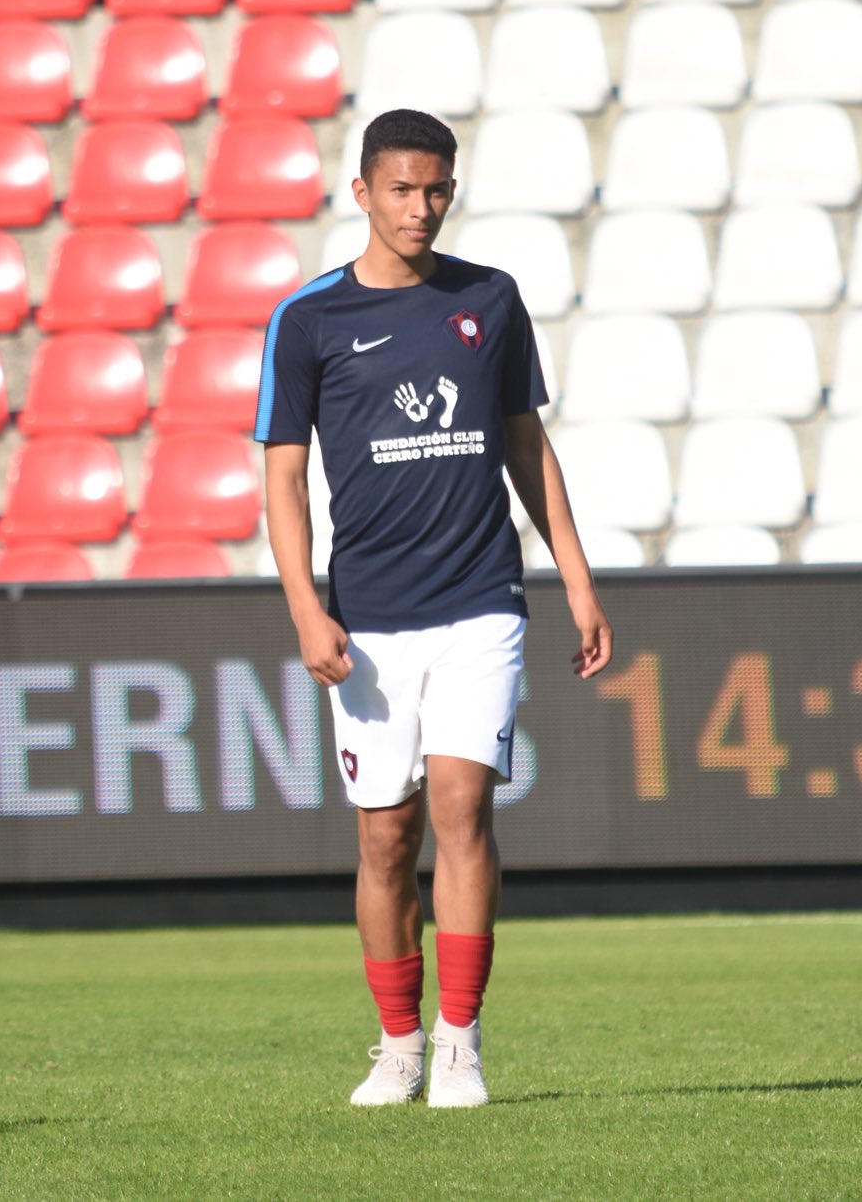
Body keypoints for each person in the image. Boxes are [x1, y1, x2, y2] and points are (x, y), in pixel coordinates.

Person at [254, 108, 613, 1109]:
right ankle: (396, 1040)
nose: (420, 207)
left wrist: (575, 577)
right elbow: (282, 481)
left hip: (478, 596)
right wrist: (303, 610)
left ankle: (458, 1039)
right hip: (367, 614)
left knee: (461, 805)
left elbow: (524, 445)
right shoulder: (308, 319)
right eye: (401, 189)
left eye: (436, 188)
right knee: (384, 837)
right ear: (361, 191)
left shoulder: (487, 300)